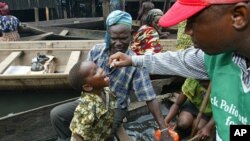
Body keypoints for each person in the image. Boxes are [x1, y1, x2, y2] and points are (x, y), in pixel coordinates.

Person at [108, 0, 250, 141]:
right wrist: (133, 60)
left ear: (238, 16)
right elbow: (177, 60)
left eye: (194, 21)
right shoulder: (214, 57)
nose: (187, 31)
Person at [50, 10, 171, 141]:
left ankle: (114, 129)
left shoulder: (135, 61)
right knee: (57, 115)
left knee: (99, 133)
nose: (118, 43)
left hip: (116, 107)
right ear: (108, 35)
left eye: (123, 38)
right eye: (114, 38)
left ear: (131, 35)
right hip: (91, 101)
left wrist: (163, 128)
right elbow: (83, 80)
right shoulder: (96, 51)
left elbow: (150, 98)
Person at [68, 61, 116, 141]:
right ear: (88, 87)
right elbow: (77, 135)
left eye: (98, 67)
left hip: (104, 135)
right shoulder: (87, 108)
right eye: (95, 72)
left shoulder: (107, 91)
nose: (101, 70)